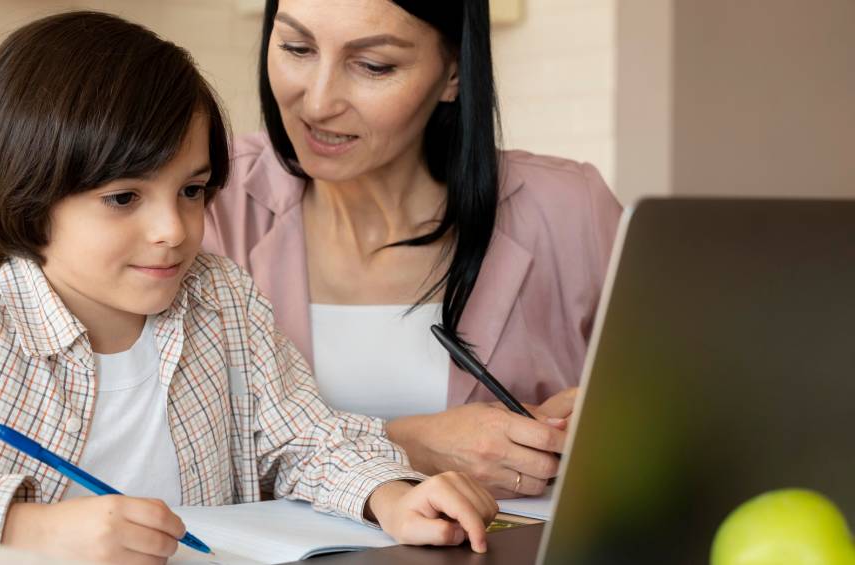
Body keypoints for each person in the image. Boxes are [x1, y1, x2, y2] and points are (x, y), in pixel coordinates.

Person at [0, 12, 500, 564]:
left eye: (190, 190)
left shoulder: (222, 303)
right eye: (124, 197)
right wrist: (32, 526)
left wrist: (391, 495)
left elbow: (305, 439)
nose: (174, 231)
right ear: (28, 197)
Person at [204, 0, 623, 499]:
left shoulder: (570, 208)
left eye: (373, 66)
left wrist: (606, 422)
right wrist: (410, 443)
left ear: (454, 73)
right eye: (297, 48)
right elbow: (174, 450)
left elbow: (696, 410)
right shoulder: (204, 195)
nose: (317, 103)